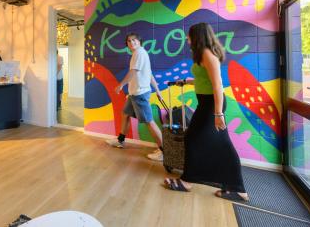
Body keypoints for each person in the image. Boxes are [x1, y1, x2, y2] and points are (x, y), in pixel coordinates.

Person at [163, 23, 249, 202]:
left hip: (212, 105)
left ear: (198, 36)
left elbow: (217, 84)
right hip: (207, 103)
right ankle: (235, 187)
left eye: (189, 36)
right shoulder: (203, 54)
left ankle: (188, 181)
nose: (187, 39)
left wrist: (218, 114)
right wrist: (187, 81)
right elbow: (206, 80)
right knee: (209, 141)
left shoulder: (207, 54)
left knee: (199, 139)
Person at [106, 33, 165, 161]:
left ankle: (164, 151)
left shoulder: (139, 53)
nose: (131, 42)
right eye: (129, 41)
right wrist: (158, 90)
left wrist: (121, 85)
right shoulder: (140, 54)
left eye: (134, 40)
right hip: (134, 94)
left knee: (149, 121)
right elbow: (149, 74)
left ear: (139, 41)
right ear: (127, 44)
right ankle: (120, 141)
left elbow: (133, 72)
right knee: (125, 114)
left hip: (140, 94)